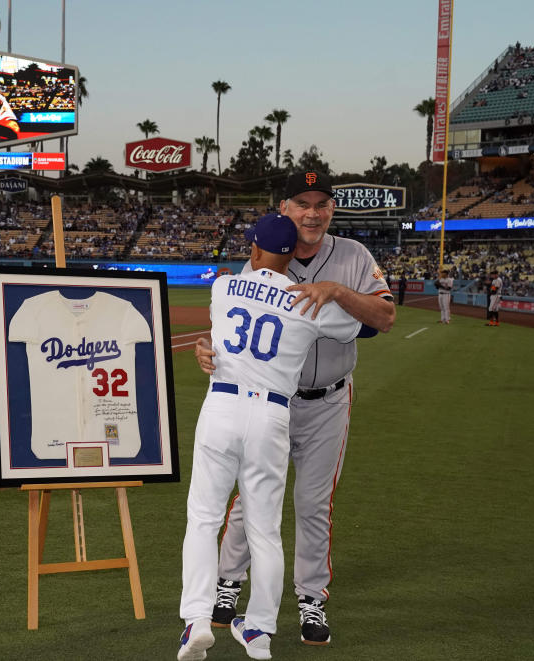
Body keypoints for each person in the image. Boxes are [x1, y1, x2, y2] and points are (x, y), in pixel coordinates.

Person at [195, 170, 395, 647]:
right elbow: (234, 333)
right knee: (246, 499)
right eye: (302, 203)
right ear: (284, 208)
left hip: (327, 400)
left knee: (312, 504)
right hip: (267, 403)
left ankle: (310, 598)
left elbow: (385, 316)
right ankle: (228, 585)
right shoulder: (256, 265)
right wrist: (208, 349)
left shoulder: (352, 255)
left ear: (331, 209)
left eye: (321, 203)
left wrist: (338, 291)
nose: (312, 212)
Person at [178, 213, 362, 661]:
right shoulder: (308, 300)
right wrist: (329, 295)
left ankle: (197, 621)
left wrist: (210, 350)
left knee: (204, 518)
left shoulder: (223, 286)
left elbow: (219, 340)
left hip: (222, 406)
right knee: (265, 529)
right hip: (272, 414)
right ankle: (259, 631)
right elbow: (357, 328)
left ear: (256, 250)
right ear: (291, 254)